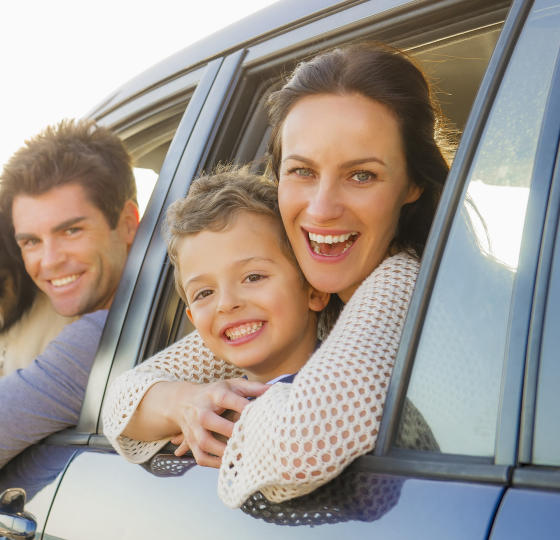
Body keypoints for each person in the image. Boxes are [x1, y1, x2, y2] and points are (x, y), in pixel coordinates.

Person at [103, 43, 450, 507]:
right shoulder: (303, 302)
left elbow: (299, 446)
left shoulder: (399, 283)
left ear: (413, 184)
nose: (323, 209)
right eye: (302, 171)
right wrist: (188, 403)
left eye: (362, 175)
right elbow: (122, 398)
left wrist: (225, 416)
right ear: (278, 178)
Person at [0, 118, 140, 483]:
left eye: (71, 230)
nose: (50, 261)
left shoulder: (100, 338)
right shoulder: (157, 305)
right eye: (30, 242)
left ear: (129, 221)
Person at [116, 165, 329, 464]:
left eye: (253, 277)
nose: (226, 304)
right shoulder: (210, 405)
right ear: (193, 320)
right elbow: (122, 412)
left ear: (314, 290)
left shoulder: (338, 393)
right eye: (204, 293)